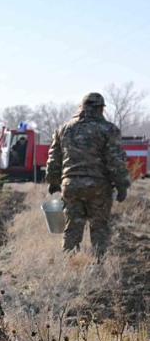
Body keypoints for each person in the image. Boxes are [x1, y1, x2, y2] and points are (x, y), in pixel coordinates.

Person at [46, 92, 130, 257]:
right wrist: (122, 185)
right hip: (98, 188)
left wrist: (53, 182)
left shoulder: (64, 129)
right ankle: (98, 266)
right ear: (101, 109)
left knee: (72, 228)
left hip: (70, 186)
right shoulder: (109, 129)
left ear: (82, 107)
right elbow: (115, 161)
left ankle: (70, 265)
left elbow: (54, 159)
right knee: (99, 228)